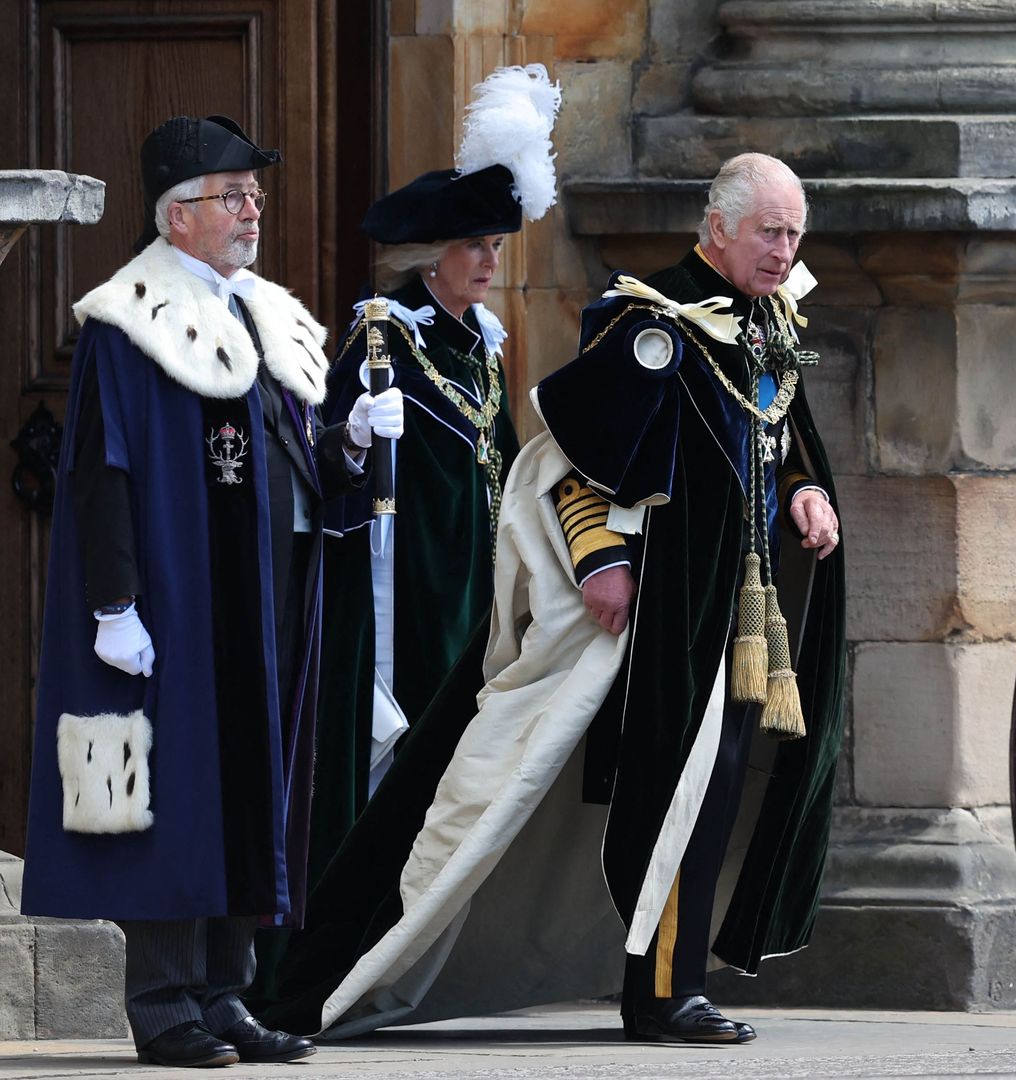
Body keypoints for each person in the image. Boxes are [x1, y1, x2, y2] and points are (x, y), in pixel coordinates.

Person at [251, 152, 845, 1046]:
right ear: (718, 227)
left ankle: (669, 986)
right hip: (647, 618)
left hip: (732, 606)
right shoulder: (651, 319)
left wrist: (804, 490)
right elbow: (570, 460)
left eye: (794, 232)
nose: (783, 249)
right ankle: (653, 994)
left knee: (713, 791)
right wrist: (601, 559)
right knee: (619, 788)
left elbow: (777, 432)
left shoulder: (766, 324)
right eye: (770, 230)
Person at [18, 114, 403, 1068]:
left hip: (266, 595)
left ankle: (226, 992)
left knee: (250, 782)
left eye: (254, 195)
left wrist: (350, 437)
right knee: (177, 789)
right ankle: (162, 1002)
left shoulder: (261, 312)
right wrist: (114, 605)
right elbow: (102, 470)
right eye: (233, 196)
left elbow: (298, 463)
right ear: (177, 216)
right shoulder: (126, 318)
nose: (252, 210)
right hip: (179, 598)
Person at [303, 64, 560, 888]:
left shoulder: (479, 344)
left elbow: (510, 459)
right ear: (430, 255)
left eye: (494, 244)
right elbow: (329, 466)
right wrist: (349, 435)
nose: (488, 260)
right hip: (408, 591)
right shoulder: (383, 342)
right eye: (473, 245)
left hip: (477, 588)